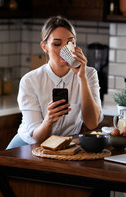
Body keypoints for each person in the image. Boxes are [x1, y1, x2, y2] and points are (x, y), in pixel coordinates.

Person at [7, 15, 103, 149]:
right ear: (44, 47)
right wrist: (49, 120)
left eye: (70, 43)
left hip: (65, 145)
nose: (65, 50)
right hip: (29, 145)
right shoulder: (30, 81)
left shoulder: (89, 74)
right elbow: (37, 138)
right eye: (57, 44)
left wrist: (82, 78)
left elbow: (92, 123)